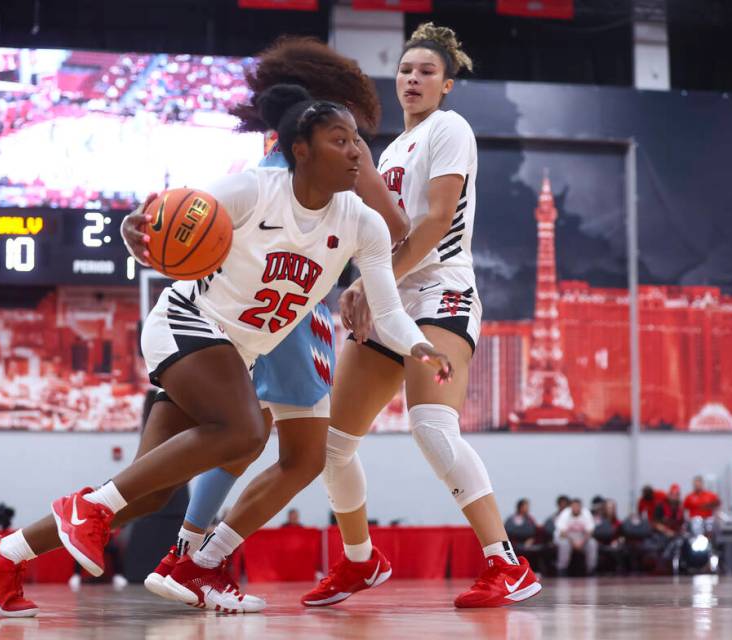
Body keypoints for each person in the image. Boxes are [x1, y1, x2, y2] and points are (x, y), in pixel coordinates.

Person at [0, 84, 451, 617]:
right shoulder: (252, 190)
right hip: (185, 324)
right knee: (246, 431)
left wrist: (420, 344)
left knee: (150, 492)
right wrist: (138, 225)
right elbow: (170, 217)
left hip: (232, 350)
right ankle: (86, 510)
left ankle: (2, 554)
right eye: (341, 140)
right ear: (301, 150)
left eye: (358, 140)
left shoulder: (364, 224)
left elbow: (387, 310)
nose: (358, 151)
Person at [136, 36, 409, 603]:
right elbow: (395, 223)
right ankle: (192, 560)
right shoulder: (333, 145)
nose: (353, 140)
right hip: (288, 307)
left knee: (241, 439)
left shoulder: (282, 141)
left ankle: (188, 556)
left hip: (238, 308)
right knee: (307, 451)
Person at [304, 22, 541, 609]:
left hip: (441, 292)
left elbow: (436, 222)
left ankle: (507, 565)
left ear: (447, 85)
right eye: (406, 70)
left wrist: (374, 283)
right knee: (332, 444)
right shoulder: (388, 150)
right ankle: (360, 562)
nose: (413, 79)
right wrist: (361, 280)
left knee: (432, 427)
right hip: (394, 296)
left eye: (426, 71)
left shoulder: (450, 128)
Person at [554, 498, 597, 575]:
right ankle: (562, 569)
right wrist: (573, 542)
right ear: (571, 507)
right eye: (574, 506)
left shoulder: (586, 513)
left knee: (592, 543)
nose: (576, 508)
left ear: (581, 507)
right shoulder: (565, 513)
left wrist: (582, 542)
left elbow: (590, 531)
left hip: (582, 538)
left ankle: (591, 570)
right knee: (564, 544)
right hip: (567, 538)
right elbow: (562, 532)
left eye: (577, 506)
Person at [504, 499, 540, 571]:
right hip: (514, 543)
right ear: (520, 507)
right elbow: (509, 530)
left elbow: (533, 532)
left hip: (527, 542)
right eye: (526, 506)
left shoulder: (530, 519)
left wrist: (531, 540)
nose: (527, 508)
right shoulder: (511, 519)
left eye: (528, 506)